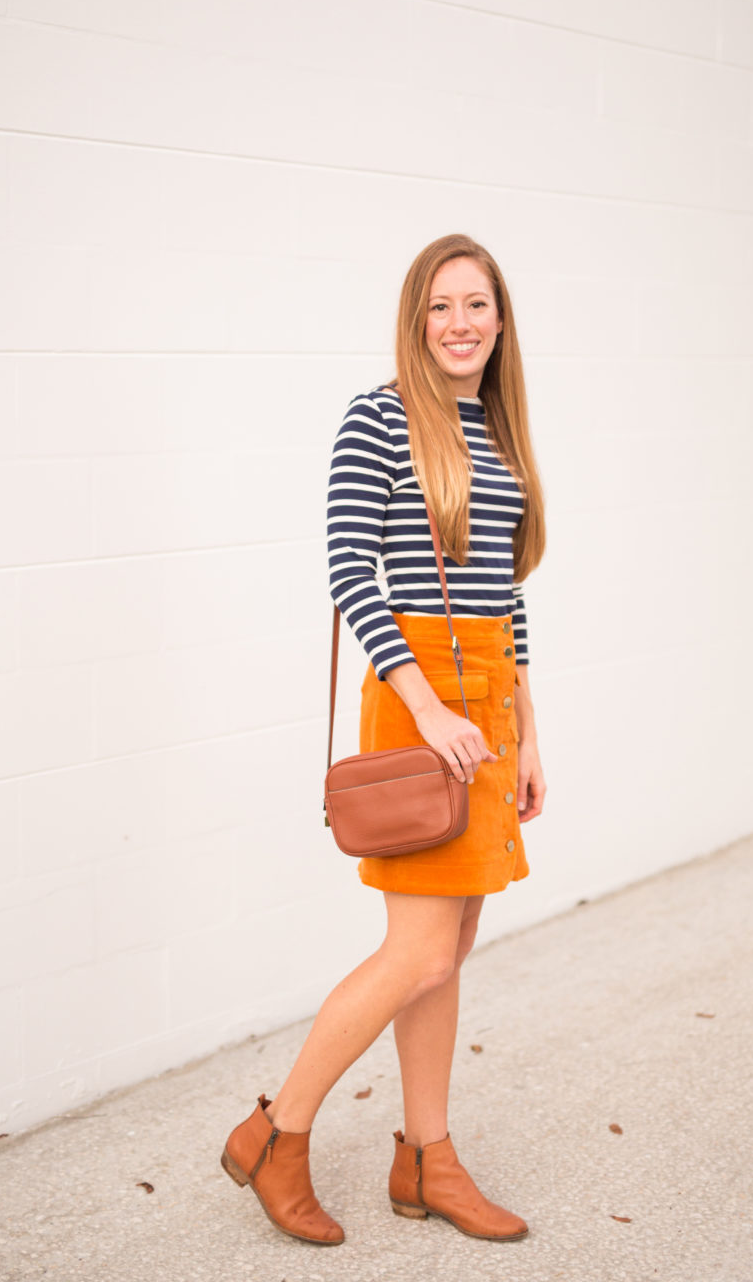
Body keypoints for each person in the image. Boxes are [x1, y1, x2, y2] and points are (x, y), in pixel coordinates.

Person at [221, 232, 547, 1246]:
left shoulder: (496, 431)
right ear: (416, 320)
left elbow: (506, 596)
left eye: (477, 305)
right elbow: (351, 574)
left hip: (486, 703)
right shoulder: (379, 416)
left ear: (500, 321)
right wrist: (429, 706)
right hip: (421, 699)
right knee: (414, 950)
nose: (460, 323)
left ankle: (424, 1157)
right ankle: (276, 1129)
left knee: (447, 951)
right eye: (441, 305)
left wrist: (526, 730)